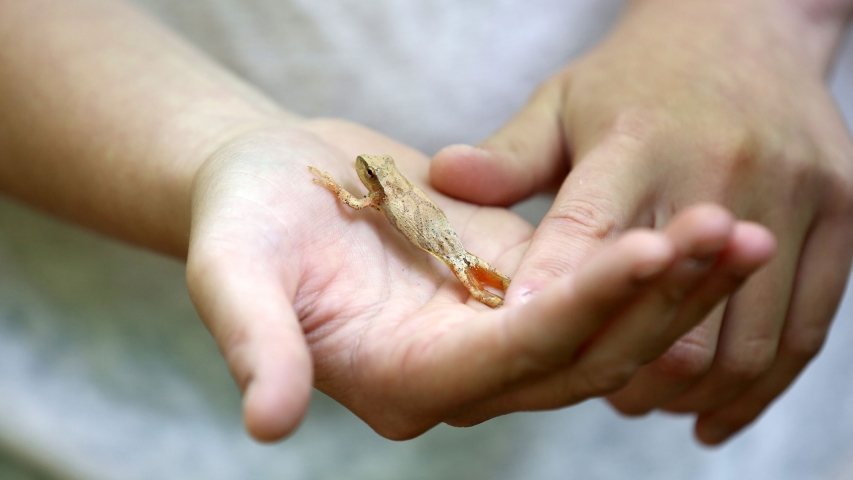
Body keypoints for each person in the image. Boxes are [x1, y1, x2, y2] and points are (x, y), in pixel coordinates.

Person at [0, 0, 850, 476]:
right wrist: (233, 152)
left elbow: (390, 210)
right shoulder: (376, 194)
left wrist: (760, 22)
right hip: (100, 428)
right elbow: (366, 199)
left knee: (460, 265)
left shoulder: (390, 199)